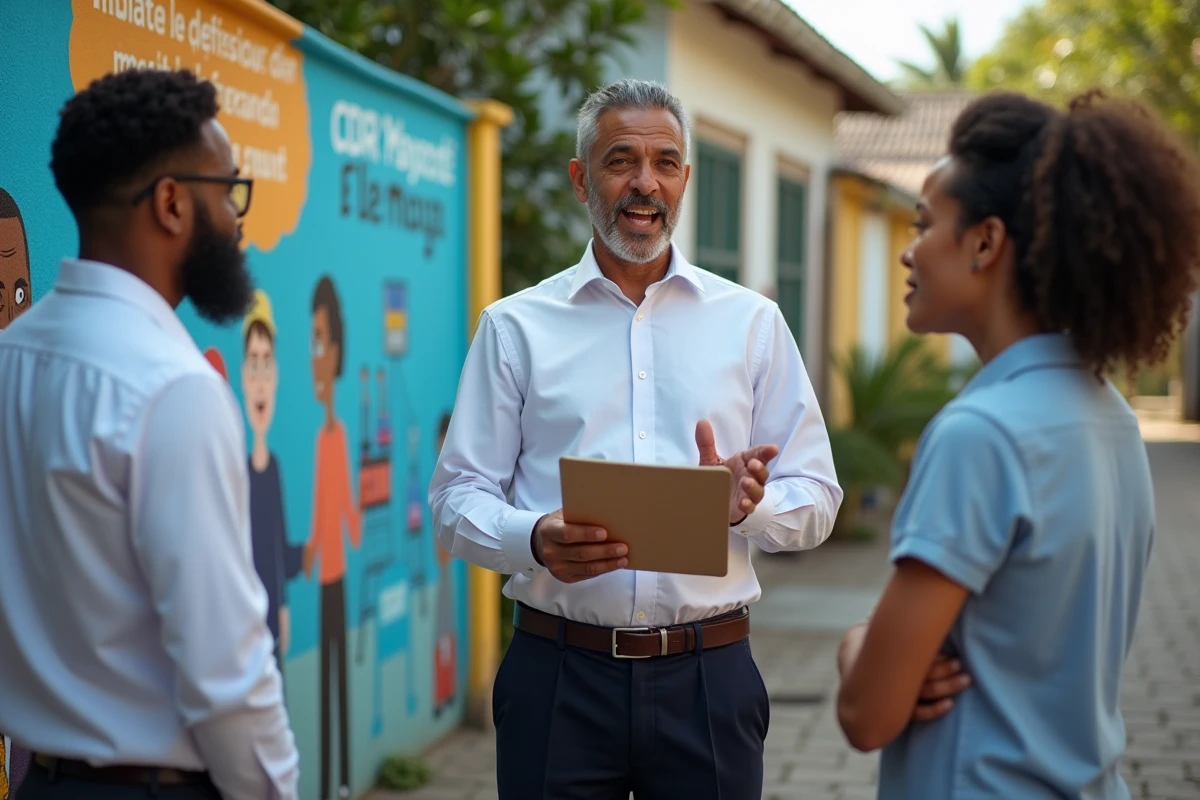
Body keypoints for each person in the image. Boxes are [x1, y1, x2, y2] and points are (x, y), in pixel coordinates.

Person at [429, 78, 842, 799]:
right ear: (580, 178)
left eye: (666, 163)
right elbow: (454, 498)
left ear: (685, 178)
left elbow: (817, 497)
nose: (645, 183)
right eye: (621, 160)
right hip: (557, 676)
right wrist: (533, 538)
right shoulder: (515, 327)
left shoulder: (752, 324)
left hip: (708, 680)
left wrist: (750, 508)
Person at [834, 89, 1200, 799]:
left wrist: (857, 644)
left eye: (924, 223)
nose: (909, 251)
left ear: (985, 242)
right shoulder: (1112, 416)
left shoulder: (980, 435)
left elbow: (866, 714)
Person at [0, 68, 300, 799]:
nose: (237, 219)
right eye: (228, 191)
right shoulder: (174, 389)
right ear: (171, 203)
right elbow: (228, 675)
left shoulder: (12, 359)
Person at [303, 274, 361, 800]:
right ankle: (329, 779)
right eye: (311, 343)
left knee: (337, 672)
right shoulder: (325, 438)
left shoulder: (337, 436)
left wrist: (350, 530)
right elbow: (326, 505)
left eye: (320, 343)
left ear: (336, 353)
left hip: (336, 576)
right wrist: (311, 550)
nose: (314, 357)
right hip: (323, 573)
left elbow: (341, 502)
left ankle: (340, 777)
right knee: (325, 674)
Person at [242, 289, 304, 682]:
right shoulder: (237, 473)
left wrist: (283, 607)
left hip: (270, 613)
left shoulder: (276, 468)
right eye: (253, 363)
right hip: (242, 617)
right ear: (243, 377)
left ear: (276, 376)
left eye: (267, 363)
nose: (261, 381)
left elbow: (280, 543)